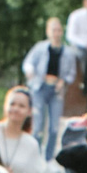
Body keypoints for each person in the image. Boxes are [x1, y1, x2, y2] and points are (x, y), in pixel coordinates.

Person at [21, 17, 72, 151]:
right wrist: (30, 72)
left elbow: (71, 73)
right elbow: (28, 63)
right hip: (40, 87)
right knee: (37, 124)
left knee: (54, 127)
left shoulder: (68, 52)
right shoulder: (40, 48)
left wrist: (63, 81)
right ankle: (34, 152)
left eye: (58, 30)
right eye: (53, 30)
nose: (56, 33)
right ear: (48, 32)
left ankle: (49, 157)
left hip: (56, 90)